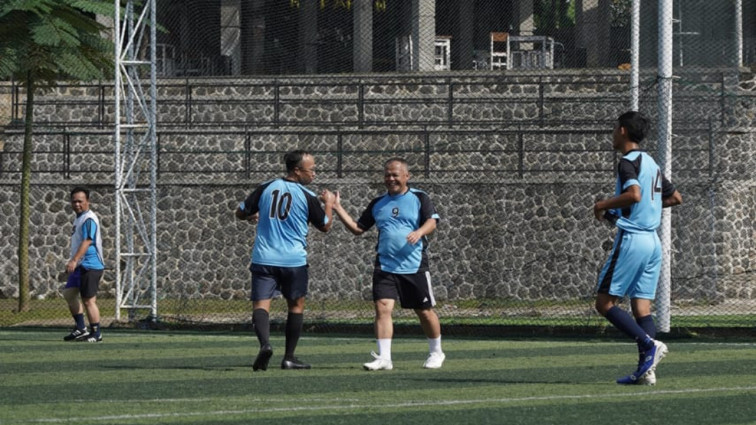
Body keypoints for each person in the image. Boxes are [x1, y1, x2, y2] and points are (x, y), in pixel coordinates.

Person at [593, 111, 683, 385]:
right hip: (653, 243)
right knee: (641, 308)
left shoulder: (627, 162)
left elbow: (634, 195)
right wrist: (648, 209)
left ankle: (648, 344)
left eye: (613, 128)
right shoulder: (652, 163)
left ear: (622, 131)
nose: (611, 133)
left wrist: (602, 204)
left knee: (604, 303)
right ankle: (647, 371)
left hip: (633, 241)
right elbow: (675, 198)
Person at [333, 157, 445, 370]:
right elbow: (358, 228)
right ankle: (384, 358)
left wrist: (419, 232)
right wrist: (337, 207)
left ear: (406, 176)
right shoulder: (378, 203)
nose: (390, 179)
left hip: (414, 266)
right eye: (387, 175)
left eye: (395, 175)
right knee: (382, 308)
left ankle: (436, 352)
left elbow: (432, 221)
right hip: (385, 266)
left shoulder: (420, 197)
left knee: (424, 311)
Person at [235, 150, 335, 371]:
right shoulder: (306, 195)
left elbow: (240, 212)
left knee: (261, 304)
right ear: (297, 170)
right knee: (296, 306)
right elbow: (325, 225)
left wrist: (253, 214)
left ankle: (265, 345)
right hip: (293, 261)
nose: (315, 174)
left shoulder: (266, 187)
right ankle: (289, 357)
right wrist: (329, 202)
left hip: (264, 257)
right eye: (312, 170)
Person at [62, 187, 105, 343]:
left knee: (88, 300)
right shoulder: (79, 218)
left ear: (88, 201)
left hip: (90, 265)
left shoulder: (89, 218)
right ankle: (81, 328)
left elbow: (88, 241)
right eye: (74, 201)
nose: (77, 204)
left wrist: (74, 260)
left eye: (80, 201)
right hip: (80, 265)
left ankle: (96, 332)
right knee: (69, 294)